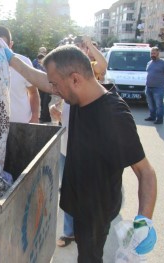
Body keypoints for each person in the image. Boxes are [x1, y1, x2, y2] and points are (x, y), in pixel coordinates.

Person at [5, 45, 157, 262]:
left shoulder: (114, 116)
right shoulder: (79, 95)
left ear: (75, 79)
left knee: (88, 257)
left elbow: (146, 172)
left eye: (56, 84)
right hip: (78, 199)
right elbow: (43, 80)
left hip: (96, 209)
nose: (54, 90)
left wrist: (144, 221)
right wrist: (12, 60)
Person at [50, 35, 109, 248]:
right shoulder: (63, 77)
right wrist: (55, 112)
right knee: (67, 189)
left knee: (88, 190)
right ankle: (69, 232)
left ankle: (89, 230)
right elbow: (60, 106)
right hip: (66, 144)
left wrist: (91, 46)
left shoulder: (89, 70)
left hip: (87, 148)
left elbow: (103, 65)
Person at [0, 25, 40, 123]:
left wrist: (35, 117)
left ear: (10, 45)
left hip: (21, 125)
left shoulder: (24, 62)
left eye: (2, 45)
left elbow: (33, 92)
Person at [145, 47, 164, 125]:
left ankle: (159, 119)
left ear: (158, 53)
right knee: (150, 104)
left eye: (154, 53)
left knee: (159, 104)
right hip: (149, 87)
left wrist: (161, 80)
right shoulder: (149, 63)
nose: (152, 55)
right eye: (151, 53)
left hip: (159, 87)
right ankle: (152, 116)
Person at [33, 50, 52, 123]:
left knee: (46, 101)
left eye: (44, 52)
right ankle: (42, 116)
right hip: (39, 84)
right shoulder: (35, 61)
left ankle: (45, 117)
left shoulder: (49, 61)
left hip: (48, 84)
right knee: (41, 100)